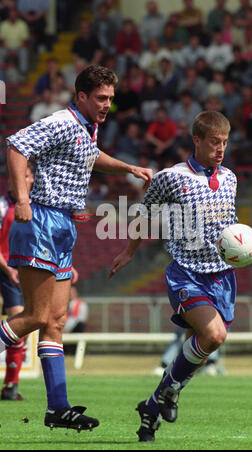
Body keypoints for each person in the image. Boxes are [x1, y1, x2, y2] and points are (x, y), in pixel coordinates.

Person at [3, 65, 152, 432]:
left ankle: (58, 408)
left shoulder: (88, 128)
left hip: (64, 225)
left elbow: (92, 157)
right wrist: (22, 198)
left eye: (111, 100)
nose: (107, 105)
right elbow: (17, 146)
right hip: (40, 222)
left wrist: (128, 167)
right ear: (81, 96)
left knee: (55, 322)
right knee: (37, 317)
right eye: (101, 98)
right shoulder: (63, 121)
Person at [109, 110, 238, 442]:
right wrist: (129, 251)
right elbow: (144, 212)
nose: (220, 148)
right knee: (214, 336)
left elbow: (229, 228)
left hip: (222, 277)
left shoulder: (230, 179)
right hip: (186, 275)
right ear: (196, 140)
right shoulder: (172, 177)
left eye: (224, 142)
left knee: (194, 352)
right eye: (214, 142)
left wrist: (242, 246)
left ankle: (152, 407)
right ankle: (167, 393)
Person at [0, 163, 34, 400]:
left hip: (15, 271)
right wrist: (7, 268)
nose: (22, 180)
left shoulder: (38, 206)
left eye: (27, 175)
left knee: (19, 327)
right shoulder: (2, 206)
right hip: (6, 267)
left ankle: (11, 386)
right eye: (18, 176)